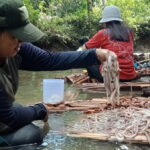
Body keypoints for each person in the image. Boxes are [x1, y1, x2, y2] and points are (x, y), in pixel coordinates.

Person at [0, 0, 116, 147]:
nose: (21, 41)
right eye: (15, 36)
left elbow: (50, 59)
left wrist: (95, 54)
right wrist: (40, 110)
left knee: (18, 109)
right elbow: (9, 118)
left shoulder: (16, 49)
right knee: (31, 135)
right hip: (6, 117)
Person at [81, 5, 137, 82]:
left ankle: (97, 80)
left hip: (111, 77)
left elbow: (85, 49)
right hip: (130, 75)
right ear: (119, 20)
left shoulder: (103, 33)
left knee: (87, 56)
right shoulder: (129, 32)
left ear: (105, 21)